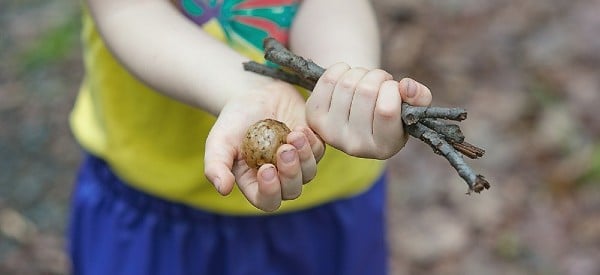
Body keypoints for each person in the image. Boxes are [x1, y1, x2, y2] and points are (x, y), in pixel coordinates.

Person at [68, 0, 433, 274]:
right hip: (156, 201)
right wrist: (241, 88)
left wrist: (347, 86)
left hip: (323, 200)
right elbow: (128, 11)